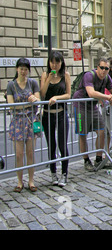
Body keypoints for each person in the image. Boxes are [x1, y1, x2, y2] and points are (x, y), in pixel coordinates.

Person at [72, 57, 112, 171]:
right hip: (80, 105)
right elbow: (91, 92)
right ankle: (86, 160)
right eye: (102, 67)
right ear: (97, 67)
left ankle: (98, 159)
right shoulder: (89, 75)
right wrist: (108, 97)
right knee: (83, 134)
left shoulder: (107, 77)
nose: (104, 70)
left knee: (102, 131)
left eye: (106, 68)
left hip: (92, 106)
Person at [6, 58, 41, 192]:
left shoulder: (32, 83)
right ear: (17, 69)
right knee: (19, 154)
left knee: (30, 153)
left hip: (31, 121)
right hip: (17, 122)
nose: (23, 71)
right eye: (21, 69)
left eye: (25, 69)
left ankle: (31, 180)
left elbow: (38, 101)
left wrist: (34, 100)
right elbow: (11, 106)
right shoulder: (11, 85)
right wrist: (28, 103)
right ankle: (20, 181)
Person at [40, 51, 71, 187]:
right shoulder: (45, 75)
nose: (55, 65)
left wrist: (56, 98)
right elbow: (42, 93)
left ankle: (64, 174)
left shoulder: (66, 75)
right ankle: (53, 173)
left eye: (57, 62)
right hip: (47, 114)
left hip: (61, 113)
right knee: (51, 145)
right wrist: (48, 78)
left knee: (62, 144)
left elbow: (68, 94)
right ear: (49, 62)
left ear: (61, 63)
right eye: (52, 62)